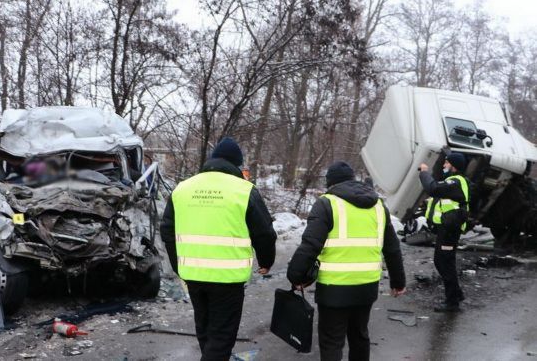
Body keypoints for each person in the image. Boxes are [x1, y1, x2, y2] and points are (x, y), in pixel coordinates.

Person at [160, 137, 276, 360]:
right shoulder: (244, 190)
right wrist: (266, 261)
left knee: (205, 332)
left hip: (193, 276)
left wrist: (179, 266)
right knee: (221, 337)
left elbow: (167, 230)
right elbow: (264, 233)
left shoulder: (183, 188)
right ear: (236, 164)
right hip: (227, 280)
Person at [287, 161, 406, 361]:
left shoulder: (327, 203)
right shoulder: (378, 206)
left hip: (334, 289)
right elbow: (392, 248)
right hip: (366, 287)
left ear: (330, 183)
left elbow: (310, 245)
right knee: (360, 337)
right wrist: (398, 281)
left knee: (332, 342)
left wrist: (296, 275)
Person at [419, 152, 470, 313]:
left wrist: (424, 172)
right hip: (448, 229)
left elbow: (433, 188)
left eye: (446, 163)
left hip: (450, 230)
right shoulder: (453, 182)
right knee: (442, 261)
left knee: (444, 262)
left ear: (454, 166)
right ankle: (456, 294)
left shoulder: (456, 181)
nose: (444, 165)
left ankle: (452, 302)